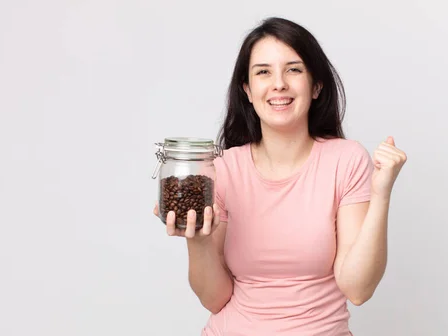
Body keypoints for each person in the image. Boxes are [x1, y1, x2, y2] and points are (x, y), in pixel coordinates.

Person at [153, 17, 407, 336]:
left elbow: (358, 289)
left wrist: (381, 193)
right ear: (246, 89)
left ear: (316, 86)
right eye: (263, 72)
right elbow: (214, 299)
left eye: (294, 69)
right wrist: (198, 241)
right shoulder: (223, 168)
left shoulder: (346, 159)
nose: (279, 84)